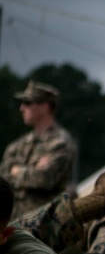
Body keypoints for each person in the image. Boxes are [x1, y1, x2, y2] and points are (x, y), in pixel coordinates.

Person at [1, 81, 76, 222]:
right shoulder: (18, 145)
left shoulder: (61, 142)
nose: (22, 108)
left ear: (44, 107)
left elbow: (45, 179)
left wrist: (16, 170)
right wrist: (31, 170)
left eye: (28, 103)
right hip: (13, 225)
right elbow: (3, 179)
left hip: (44, 228)